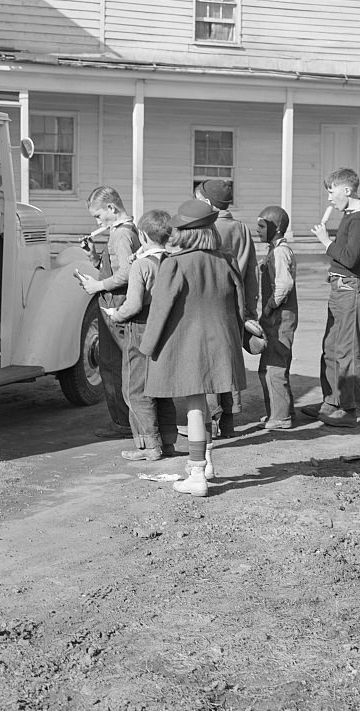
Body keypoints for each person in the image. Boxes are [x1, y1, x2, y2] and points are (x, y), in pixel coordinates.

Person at [140, 199, 247, 497]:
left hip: (188, 346)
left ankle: (197, 472)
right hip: (222, 342)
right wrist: (239, 337)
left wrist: (148, 347)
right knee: (206, 404)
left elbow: (160, 311)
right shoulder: (227, 260)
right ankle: (208, 463)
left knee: (195, 409)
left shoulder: (174, 264)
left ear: (186, 232)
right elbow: (240, 306)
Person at [301, 168, 360, 428]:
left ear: (347, 189)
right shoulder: (349, 216)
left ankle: (349, 410)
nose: (330, 198)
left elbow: (350, 258)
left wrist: (325, 241)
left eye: (331, 191)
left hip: (351, 288)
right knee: (331, 347)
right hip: (340, 287)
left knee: (348, 350)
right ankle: (331, 402)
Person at [104, 210, 178, 461]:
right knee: (161, 388)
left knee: (136, 390)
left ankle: (148, 446)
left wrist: (116, 314)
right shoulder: (173, 261)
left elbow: (134, 304)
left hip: (141, 328)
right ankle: (168, 441)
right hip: (167, 328)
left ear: (143, 235)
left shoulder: (141, 265)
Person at [193, 179, 259, 438]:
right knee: (229, 361)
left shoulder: (205, 228)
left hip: (209, 304)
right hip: (236, 303)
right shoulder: (242, 228)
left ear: (208, 203)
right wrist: (250, 311)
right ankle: (229, 421)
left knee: (208, 363)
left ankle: (210, 421)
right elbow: (252, 271)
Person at [77, 186, 141, 439]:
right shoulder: (123, 232)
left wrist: (96, 285)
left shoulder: (121, 235)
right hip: (115, 303)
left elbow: (126, 273)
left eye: (98, 215)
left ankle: (122, 423)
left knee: (113, 365)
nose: (97, 221)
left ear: (112, 209)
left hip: (116, 305)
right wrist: (94, 257)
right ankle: (126, 421)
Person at [256, 206, 298, 430]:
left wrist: (269, 309)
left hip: (280, 318)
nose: (258, 230)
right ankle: (280, 410)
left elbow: (284, 284)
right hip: (279, 317)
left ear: (277, 228)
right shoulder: (275, 250)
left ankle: (281, 417)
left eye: (262, 226)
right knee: (276, 363)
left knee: (274, 365)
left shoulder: (281, 252)